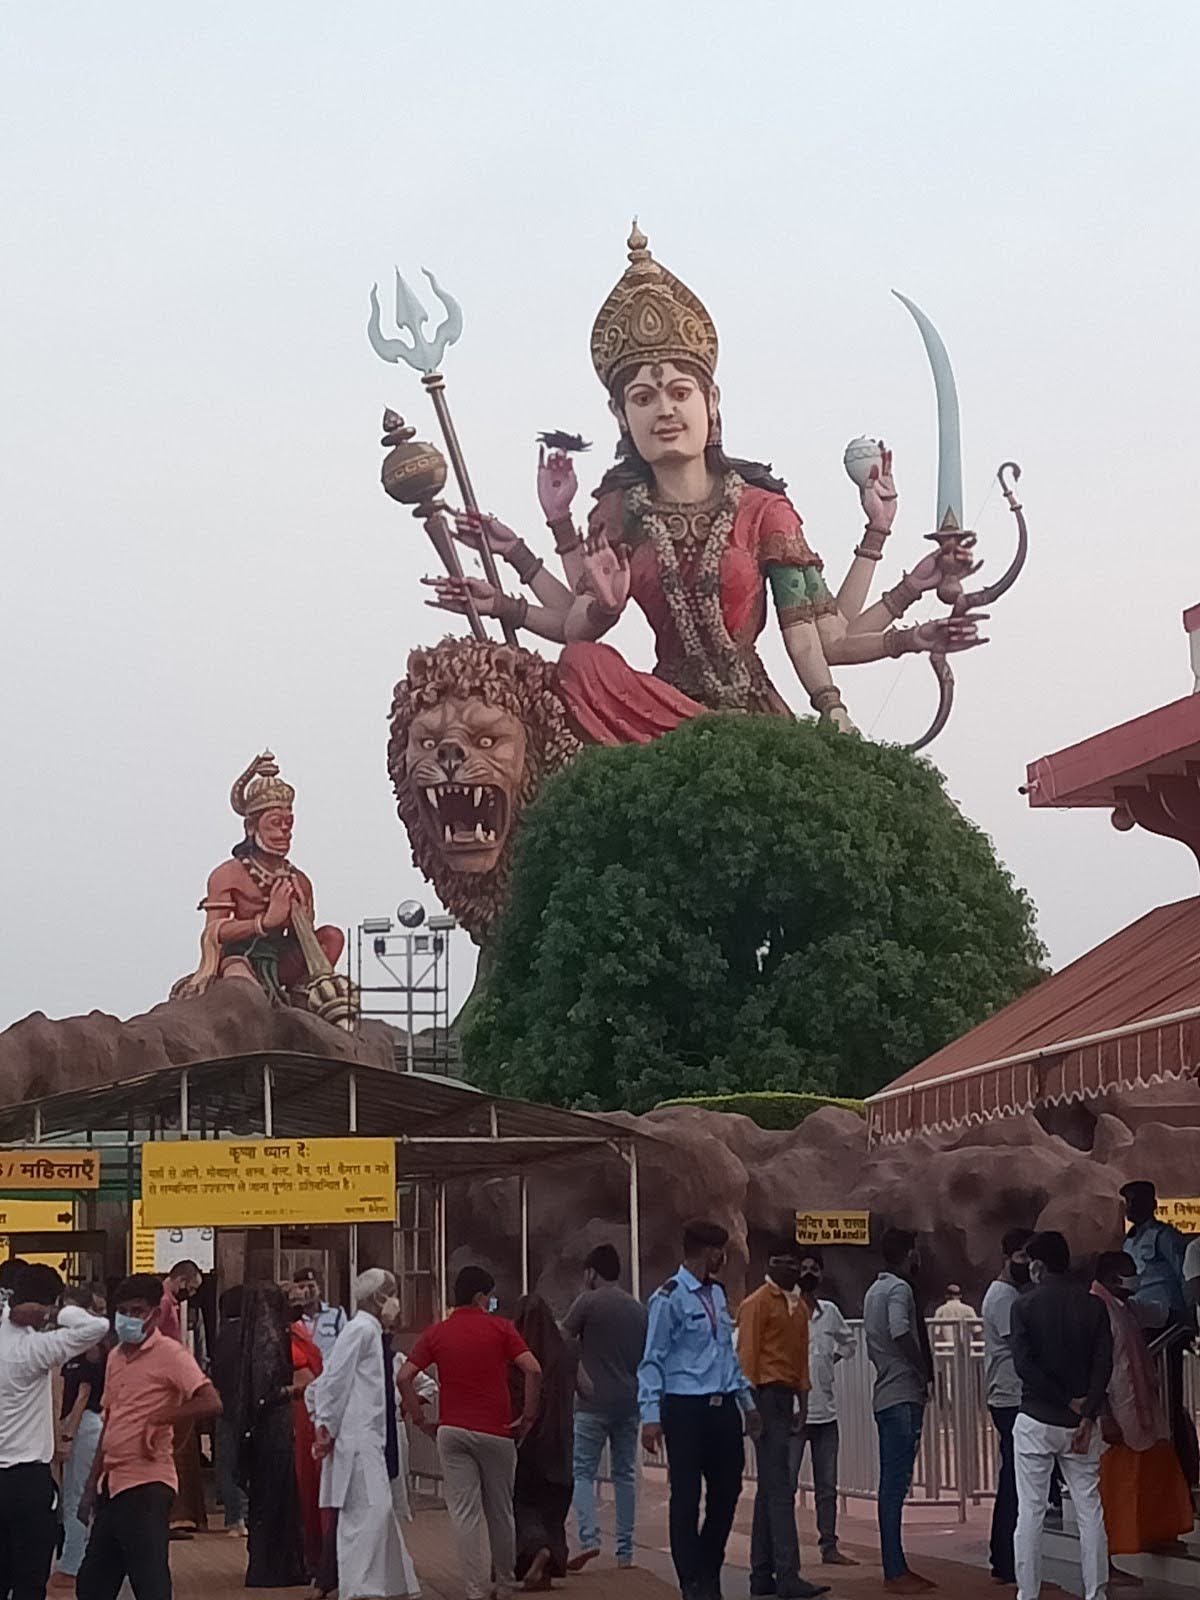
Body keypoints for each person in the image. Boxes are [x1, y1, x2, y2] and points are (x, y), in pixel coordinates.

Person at [427, 226, 985, 744]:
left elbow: (821, 638)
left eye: (679, 392)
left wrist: (837, 699)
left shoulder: (762, 509)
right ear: (620, 415)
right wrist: (536, 583)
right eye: (643, 398)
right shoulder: (621, 511)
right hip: (658, 714)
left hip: (748, 714)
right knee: (581, 666)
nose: (664, 410)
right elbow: (578, 626)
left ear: (710, 401)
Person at [399, 1266, 541, 1600]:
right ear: (480, 1297)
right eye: (489, 1297)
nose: (491, 1302)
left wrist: (419, 1419)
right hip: (497, 1430)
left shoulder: (437, 1333)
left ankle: (475, 1589)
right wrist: (528, 1416)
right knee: (500, 1511)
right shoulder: (501, 1328)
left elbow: (404, 1376)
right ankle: (504, 1582)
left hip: (452, 1431)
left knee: (464, 1513)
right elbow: (533, 1369)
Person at [77, 1272, 220, 1600]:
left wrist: (160, 1417)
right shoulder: (115, 1356)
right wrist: (90, 1486)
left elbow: (210, 1401)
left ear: (155, 1314)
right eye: (122, 1311)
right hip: (112, 1484)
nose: (128, 1318)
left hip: (148, 1483)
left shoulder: (171, 1354)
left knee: (149, 1581)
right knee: (92, 1585)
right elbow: (109, 1421)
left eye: (137, 1311)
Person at [639, 1220, 760, 1600]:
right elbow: (652, 1360)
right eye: (719, 1250)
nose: (723, 1257)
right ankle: (691, 1581)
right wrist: (650, 1416)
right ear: (707, 1252)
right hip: (685, 1408)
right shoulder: (668, 1297)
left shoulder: (718, 1294)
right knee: (686, 1496)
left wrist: (747, 1402)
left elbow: (727, 1354)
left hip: (722, 1407)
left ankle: (709, 1567)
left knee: (728, 1490)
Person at [1009, 1231, 1112, 1600]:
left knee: (1030, 1511)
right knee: (1089, 1508)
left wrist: (1066, 1401)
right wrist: (1087, 1411)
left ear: (1038, 1266)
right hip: (1081, 1426)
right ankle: (1096, 1592)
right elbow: (1104, 1364)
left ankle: (1028, 1593)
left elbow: (1024, 1366)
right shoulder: (1093, 1306)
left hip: (1036, 1420)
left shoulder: (1023, 1306)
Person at [0, 1263, 109, 1600]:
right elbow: (97, 1327)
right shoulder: (34, 1350)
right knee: (30, 1581)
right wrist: (51, 1314)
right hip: (27, 1479)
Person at [309, 1270, 418, 1600]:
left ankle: (390, 1583)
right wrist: (325, 1426)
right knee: (368, 1512)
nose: (396, 1300)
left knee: (376, 1510)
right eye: (391, 1291)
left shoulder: (367, 1330)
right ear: (377, 1297)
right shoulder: (360, 1330)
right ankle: (361, 1587)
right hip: (357, 1436)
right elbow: (334, 1380)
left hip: (366, 1434)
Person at [736, 1250, 826, 1600]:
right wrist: (750, 1409)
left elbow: (801, 1361)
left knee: (771, 1486)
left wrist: (803, 1402)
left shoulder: (799, 1308)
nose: (790, 1267)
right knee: (780, 1488)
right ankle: (787, 1574)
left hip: (785, 1397)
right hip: (764, 1396)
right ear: (769, 1265)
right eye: (782, 1261)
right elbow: (747, 1358)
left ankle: (762, 1574)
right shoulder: (756, 1304)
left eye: (794, 1263)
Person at [1091, 1250, 1192, 1558]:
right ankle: (1117, 1545)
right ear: (1112, 1278)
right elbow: (1094, 1367)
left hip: (1142, 1406)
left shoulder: (1126, 1307)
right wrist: (1104, 1415)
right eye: (1130, 1271)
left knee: (1157, 1470)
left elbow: (1162, 1314)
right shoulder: (1096, 1309)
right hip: (1117, 1411)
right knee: (1123, 1479)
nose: (1137, 1277)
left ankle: (1157, 1532)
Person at [561, 1243, 647, 1572]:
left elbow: (564, 1338)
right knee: (625, 1475)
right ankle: (626, 1552)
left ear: (592, 1273)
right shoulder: (638, 1309)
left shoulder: (588, 1302)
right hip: (629, 1402)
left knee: (582, 1471)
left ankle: (589, 1539)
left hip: (592, 1401)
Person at [863, 1228, 934, 1595]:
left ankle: (897, 1565)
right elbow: (900, 1329)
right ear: (909, 1254)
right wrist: (921, 1370)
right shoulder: (899, 1289)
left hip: (887, 1392)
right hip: (901, 1393)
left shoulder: (873, 1290)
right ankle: (894, 1569)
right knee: (894, 1485)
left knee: (892, 1485)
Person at [1120, 1178, 1199, 1486]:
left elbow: (1184, 1275)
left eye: (1135, 1201)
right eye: (1127, 1202)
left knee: (1170, 1397)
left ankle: (1184, 1467)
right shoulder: (1130, 1240)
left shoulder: (1166, 1236)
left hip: (1167, 1325)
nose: (1130, 1207)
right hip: (1141, 1323)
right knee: (1149, 1397)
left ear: (1151, 1204)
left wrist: (1187, 1320)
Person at [234, 1283, 307, 1588]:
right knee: (278, 1496)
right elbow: (266, 1393)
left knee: (268, 1498)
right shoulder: (269, 1339)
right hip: (273, 1428)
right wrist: (298, 1390)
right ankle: (278, 1567)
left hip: (264, 1431)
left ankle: (270, 1564)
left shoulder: (251, 1338)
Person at [793, 1249, 857, 1570]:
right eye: (804, 1267)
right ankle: (783, 1550)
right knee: (786, 1484)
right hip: (793, 1413)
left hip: (825, 1411)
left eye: (814, 1268)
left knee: (827, 1487)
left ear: (821, 1274)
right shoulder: (785, 1309)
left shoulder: (830, 1312)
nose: (809, 1273)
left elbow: (849, 1343)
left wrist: (830, 1360)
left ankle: (829, 1545)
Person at [509, 1295, 578, 1590]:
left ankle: (536, 1550)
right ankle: (548, 1565)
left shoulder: (515, 1355)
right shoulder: (567, 1351)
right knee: (553, 1509)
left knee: (523, 1504)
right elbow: (587, 1388)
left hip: (526, 1441)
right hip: (560, 1440)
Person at [980, 1228, 1033, 1588]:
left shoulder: (1012, 1294)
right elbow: (1019, 1344)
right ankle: (1004, 1557)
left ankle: (1007, 1556)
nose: (1027, 1264)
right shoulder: (1003, 1298)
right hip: (1009, 1395)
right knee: (1014, 1479)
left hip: (1011, 1394)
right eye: (1022, 1257)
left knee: (1017, 1476)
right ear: (1007, 1257)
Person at [54, 1284, 110, 1585]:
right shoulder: (73, 1345)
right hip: (77, 1424)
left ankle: (72, 1566)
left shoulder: (92, 1349)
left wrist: (68, 1435)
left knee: (77, 1496)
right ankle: (76, 1559)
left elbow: (83, 1394)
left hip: (85, 1425)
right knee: (72, 1495)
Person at [157, 1260, 206, 1538]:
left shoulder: (172, 1304)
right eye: (192, 1287)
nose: (193, 1293)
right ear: (182, 1280)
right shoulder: (165, 1304)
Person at [287, 1284, 325, 1580]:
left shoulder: (298, 1332)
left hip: (310, 1414)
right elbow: (305, 1378)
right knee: (306, 1485)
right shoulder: (290, 1338)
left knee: (311, 1485)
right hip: (300, 1415)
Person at [210, 1285, 247, 1538]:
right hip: (250, 1407)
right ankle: (247, 1513)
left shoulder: (222, 1336)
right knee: (247, 1462)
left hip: (225, 1405)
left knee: (226, 1463)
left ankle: (234, 1517)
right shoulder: (252, 1333)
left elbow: (217, 1371)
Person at [293, 1269, 348, 1365]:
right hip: (303, 1372)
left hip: (329, 1372)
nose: (307, 1291)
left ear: (319, 1288)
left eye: (311, 1286)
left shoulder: (336, 1315)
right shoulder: (290, 1319)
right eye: (301, 1287)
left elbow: (346, 1348)